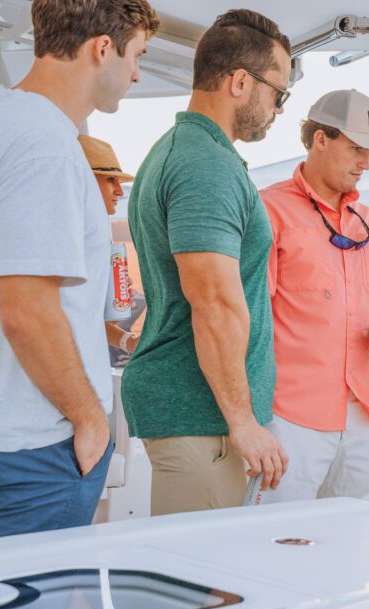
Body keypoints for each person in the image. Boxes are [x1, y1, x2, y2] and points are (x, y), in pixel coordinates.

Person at [0, 0, 159, 537]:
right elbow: (25, 309)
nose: (136, 72)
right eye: (137, 55)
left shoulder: (9, 122)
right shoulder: (48, 147)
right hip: (33, 454)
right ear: (103, 48)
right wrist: (93, 420)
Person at [122, 9, 291, 515]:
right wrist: (242, 422)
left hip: (205, 418)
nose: (279, 108)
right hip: (205, 420)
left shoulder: (192, 151)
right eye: (278, 93)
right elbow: (213, 301)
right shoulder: (204, 165)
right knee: (202, 591)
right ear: (241, 81)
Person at [258, 90, 369, 502]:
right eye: (357, 148)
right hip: (288, 418)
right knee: (278, 546)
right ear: (320, 139)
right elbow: (246, 319)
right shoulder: (267, 210)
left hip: (362, 417)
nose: (366, 163)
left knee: (353, 547)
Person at [78, 134, 141, 358]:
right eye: (110, 180)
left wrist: (129, 341)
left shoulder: (98, 232)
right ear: (84, 178)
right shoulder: (68, 237)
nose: (120, 192)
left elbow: (88, 322)